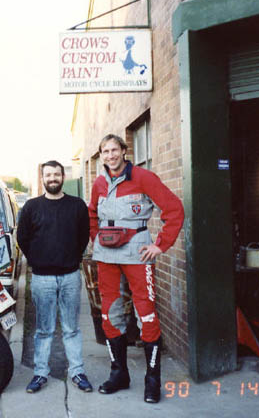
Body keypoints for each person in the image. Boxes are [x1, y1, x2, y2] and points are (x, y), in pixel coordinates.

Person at [88, 134, 184, 403]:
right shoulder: (99, 182)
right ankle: (119, 374)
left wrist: (160, 245)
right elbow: (92, 214)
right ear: (102, 155)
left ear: (123, 151)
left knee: (147, 314)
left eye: (114, 149)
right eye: (105, 151)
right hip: (107, 257)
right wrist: (96, 239)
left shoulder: (144, 177)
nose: (110, 155)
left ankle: (152, 381)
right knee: (110, 313)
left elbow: (174, 210)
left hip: (138, 254)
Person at [17, 160, 92, 394]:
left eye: (57, 174)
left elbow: (83, 237)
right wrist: (39, 260)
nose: (52, 178)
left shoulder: (77, 205)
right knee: (44, 329)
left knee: (71, 328)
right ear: (42, 178)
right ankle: (40, 373)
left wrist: (71, 257)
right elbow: (23, 239)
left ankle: (77, 372)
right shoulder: (31, 207)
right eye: (48, 175)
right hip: (42, 279)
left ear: (62, 177)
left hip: (70, 276)